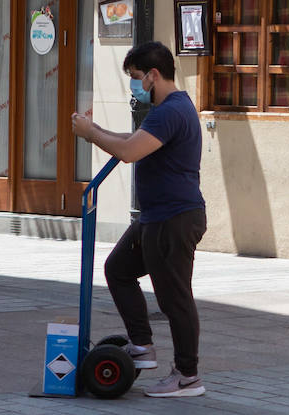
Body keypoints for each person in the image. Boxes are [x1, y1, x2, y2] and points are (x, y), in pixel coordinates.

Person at [71, 41, 208, 397]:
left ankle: (187, 376)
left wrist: (90, 135)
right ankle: (142, 346)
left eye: (135, 78)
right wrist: (96, 130)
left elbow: (129, 152)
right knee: (118, 269)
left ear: (153, 75)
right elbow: (132, 141)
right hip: (156, 217)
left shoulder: (171, 111)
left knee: (174, 297)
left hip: (173, 219)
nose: (134, 85)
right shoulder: (167, 111)